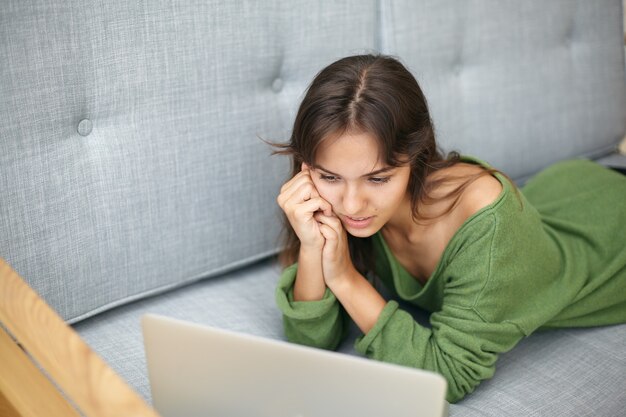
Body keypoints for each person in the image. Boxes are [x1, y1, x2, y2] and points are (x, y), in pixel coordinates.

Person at [272, 54, 626, 403]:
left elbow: (448, 377)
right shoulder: (343, 209)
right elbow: (310, 343)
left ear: (416, 155)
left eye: (378, 178)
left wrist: (346, 278)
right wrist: (312, 246)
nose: (350, 205)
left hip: (611, 235)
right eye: (329, 176)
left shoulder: (488, 227)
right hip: (562, 191)